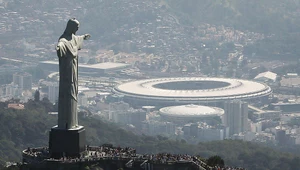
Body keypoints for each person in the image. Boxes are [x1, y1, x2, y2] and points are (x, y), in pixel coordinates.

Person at [56, 18, 90, 129]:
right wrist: (59, 48)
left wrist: (84, 37)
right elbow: (61, 44)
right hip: (68, 71)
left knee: (74, 92)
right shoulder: (64, 40)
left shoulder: (73, 38)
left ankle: (73, 122)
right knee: (68, 92)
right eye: (76, 27)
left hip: (74, 69)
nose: (77, 29)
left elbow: (77, 39)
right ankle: (67, 122)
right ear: (71, 27)